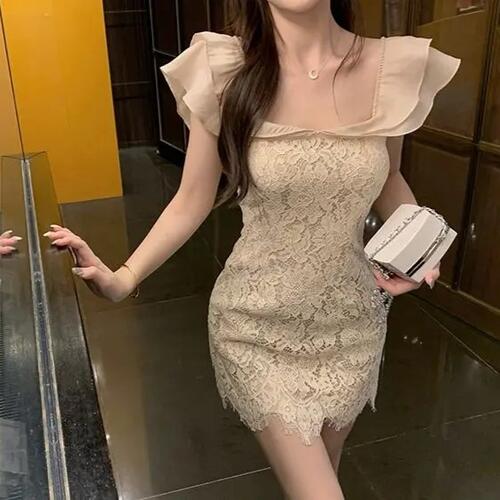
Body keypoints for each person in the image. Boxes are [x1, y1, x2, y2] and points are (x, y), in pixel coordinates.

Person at [43, 1, 460, 498]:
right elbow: (192, 199)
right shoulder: (224, 71)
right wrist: (123, 278)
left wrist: (422, 248)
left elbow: (389, 178)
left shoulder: (390, 68)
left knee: (323, 472)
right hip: (256, 326)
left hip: (354, 325)